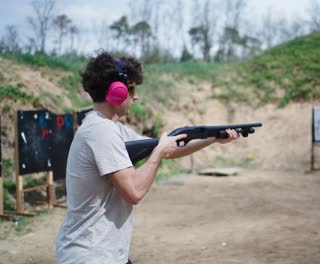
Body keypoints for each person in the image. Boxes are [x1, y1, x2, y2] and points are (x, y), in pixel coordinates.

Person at [55, 51, 239, 264]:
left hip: (105, 253)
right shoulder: (100, 131)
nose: (135, 96)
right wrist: (158, 154)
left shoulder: (110, 128)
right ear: (117, 92)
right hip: (90, 256)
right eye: (131, 89)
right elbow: (134, 192)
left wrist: (212, 138)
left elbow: (165, 149)